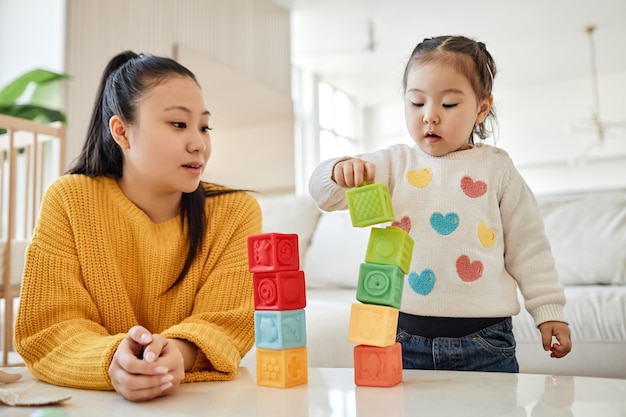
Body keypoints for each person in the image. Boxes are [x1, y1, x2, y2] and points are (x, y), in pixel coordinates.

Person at [308, 35, 572, 372]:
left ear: (481, 108)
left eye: (448, 105)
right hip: (402, 337)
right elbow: (323, 196)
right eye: (417, 103)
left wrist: (549, 310)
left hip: (486, 340)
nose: (430, 116)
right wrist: (337, 171)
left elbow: (529, 245)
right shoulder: (392, 164)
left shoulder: (496, 168)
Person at [14, 51, 262, 401]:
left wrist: (178, 353)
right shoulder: (69, 200)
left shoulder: (236, 212)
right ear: (122, 131)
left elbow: (228, 320)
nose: (199, 143)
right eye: (179, 124)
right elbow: (49, 327)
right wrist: (112, 360)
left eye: (204, 126)